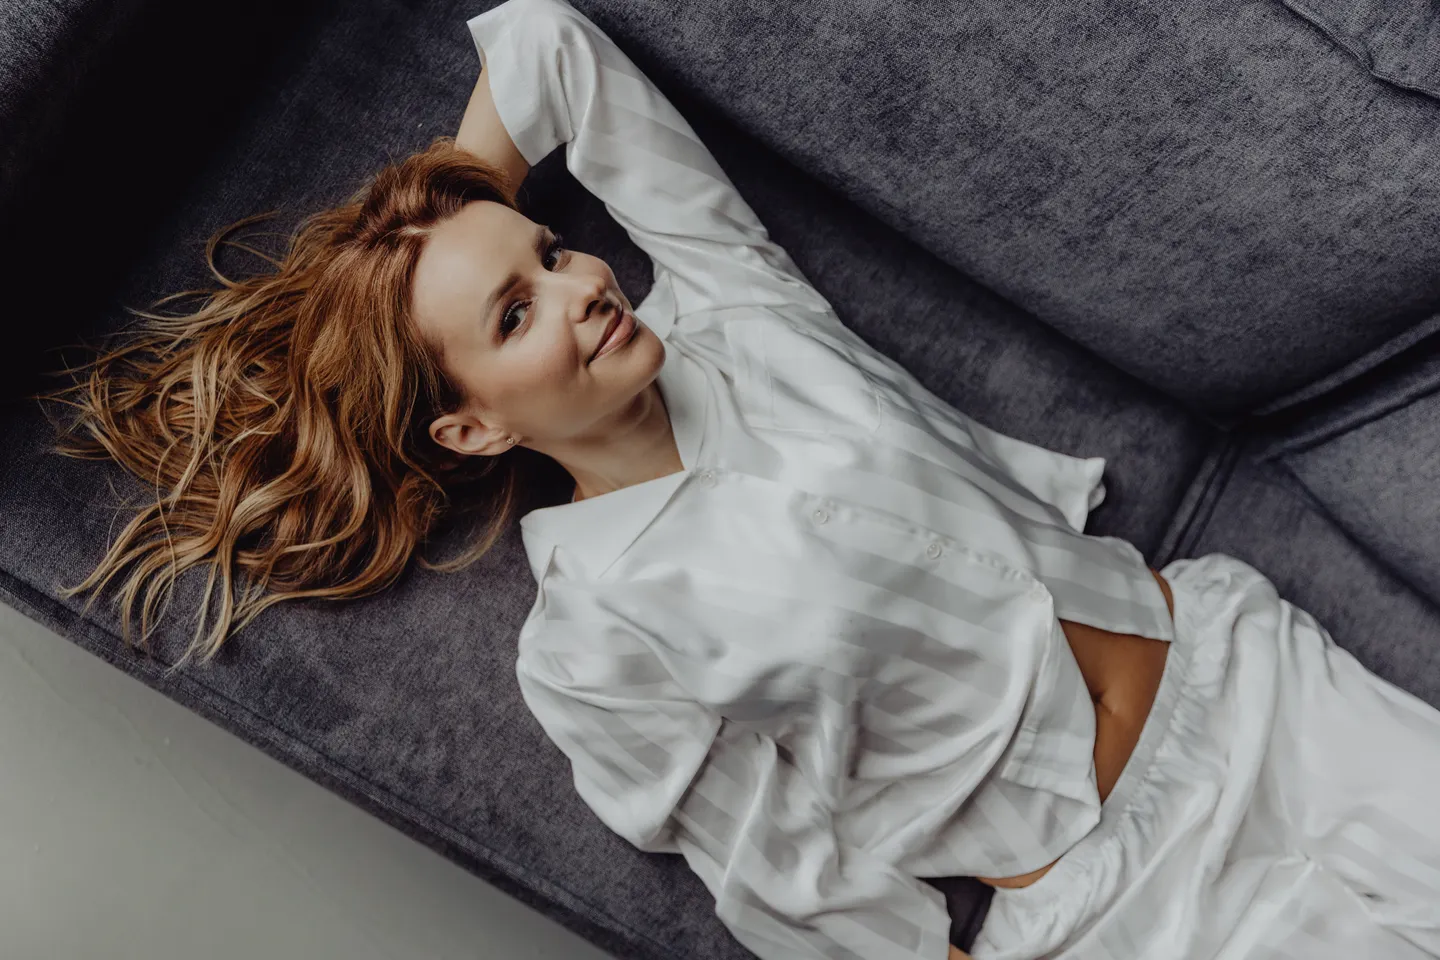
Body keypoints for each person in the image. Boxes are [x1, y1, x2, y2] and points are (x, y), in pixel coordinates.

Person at [31, 0, 1440, 957]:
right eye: (515, 315)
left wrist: (433, 228)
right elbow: (786, 882)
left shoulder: (735, 302)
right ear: (469, 432)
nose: (580, 284)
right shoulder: (592, 644)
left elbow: (548, 42)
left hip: (1252, 685)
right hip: (1125, 908)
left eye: (549, 253)